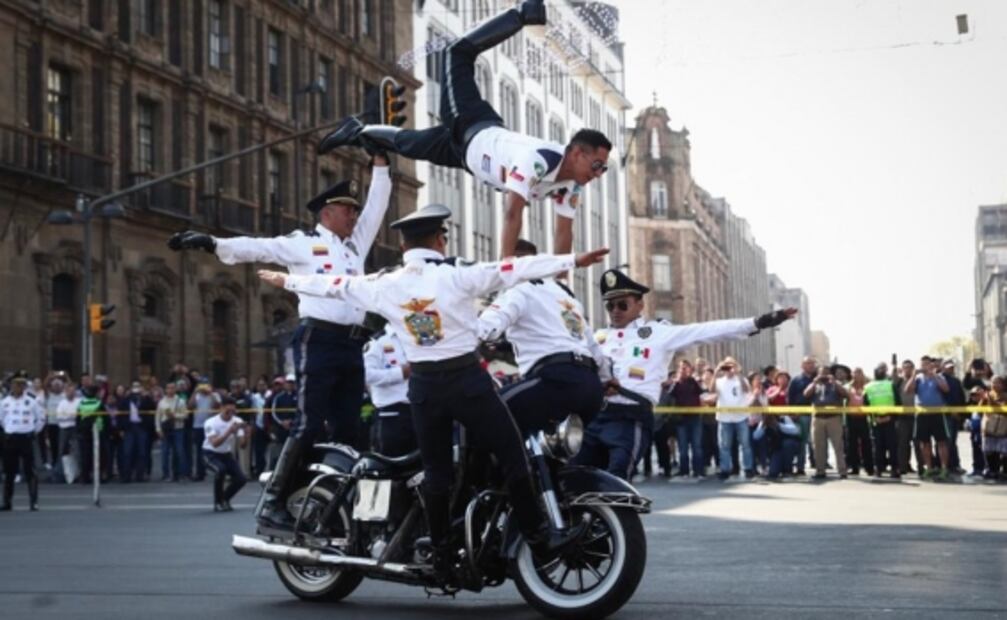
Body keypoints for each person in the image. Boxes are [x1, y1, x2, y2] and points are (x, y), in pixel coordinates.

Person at [258, 204, 610, 577]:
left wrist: (287, 281)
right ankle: (539, 539)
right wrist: (573, 260)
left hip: (424, 389)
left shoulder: (386, 283)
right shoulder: (456, 273)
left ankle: (441, 555)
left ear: (403, 245)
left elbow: (334, 286)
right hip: (467, 383)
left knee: (437, 472)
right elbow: (511, 269)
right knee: (511, 454)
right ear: (440, 240)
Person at [170, 157, 392, 531]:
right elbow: (259, 248)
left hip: (352, 345)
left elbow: (378, 206)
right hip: (318, 340)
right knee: (308, 423)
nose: (355, 217)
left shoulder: (354, 247)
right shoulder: (304, 244)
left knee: (350, 430)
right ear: (327, 213)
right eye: (348, 210)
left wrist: (382, 166)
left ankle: (339, 503)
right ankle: (273, 500)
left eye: (355, 211)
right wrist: (212, 242)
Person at [318, 0, 607, 258]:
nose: (597, 174)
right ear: (577, 153)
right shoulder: (540, 159)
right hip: (470, 123)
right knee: (456, 52)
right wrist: (505, 268)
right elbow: (512, 213)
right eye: (596, 165)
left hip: (464, 156)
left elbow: (563, 233)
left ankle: (355, 132)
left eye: (603, 169)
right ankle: (521, 13)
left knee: (406, 143)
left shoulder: (572, 185)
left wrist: (558, 285)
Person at [571, 269, 796, 481]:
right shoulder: (598, 337)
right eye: (610, 305)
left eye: (622, 304)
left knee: (616, 478)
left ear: (640, 304)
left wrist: (759, 322)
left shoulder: (658, 333)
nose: (615, 311)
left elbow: (708, 331)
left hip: (630, 418)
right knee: (572, 475)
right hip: (594, 417)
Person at [477, 239, 608, 439]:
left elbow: (487, 329)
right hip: (591, 390)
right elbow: (594, 348)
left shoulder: (518, 291)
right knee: (546, 449)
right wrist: (607, 378)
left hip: (555, 381)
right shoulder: (567, 298)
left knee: (484, 414)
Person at [363, 327, 416, 456]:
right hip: (391, 414)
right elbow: (366, 375)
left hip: (420, 411)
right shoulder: (378, 341)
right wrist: (400, 373)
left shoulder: (418, 337)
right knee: (390, 462)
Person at [903, 356, 951, 481]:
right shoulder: (918, 379)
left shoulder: (939, 377)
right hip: (922, 414)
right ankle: (929, 468)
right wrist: (913, 375)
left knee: (941, 442)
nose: (924, 367)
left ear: (931, 365)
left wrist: (933, 375)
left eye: (927, 364)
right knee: (924, 443)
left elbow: (946, 389)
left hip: (937, 414)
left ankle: (944, 468)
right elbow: (907, 390)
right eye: (922, 364)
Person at [1, 375, 45, 510]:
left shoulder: (32, 401)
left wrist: (33, 431)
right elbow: (1, 420)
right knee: (9, 472)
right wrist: (9, 429)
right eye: (15, 384)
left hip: (26, 438)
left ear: (25, 386)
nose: (18, 387)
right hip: (11, 439)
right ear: (11, 386)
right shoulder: (4, 402)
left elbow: (41, 419)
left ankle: (34, 502)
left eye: (21, 384)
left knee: (30, 471)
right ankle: (7, 502)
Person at [202, 397, 249, 512]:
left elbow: (242, 445)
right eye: (227, 412)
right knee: (220, 470)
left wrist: (247, 434)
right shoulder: (211, 422)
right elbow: (215, 443)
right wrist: (229, 431)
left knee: (241, 479)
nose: (230, 415)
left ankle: (224, 499)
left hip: (226, 454)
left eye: (233, 412)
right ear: (221, 408)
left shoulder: (237, 421)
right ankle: (217, 502)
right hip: (210, 453)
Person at [712, 358, 754, 481]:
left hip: (741, 417)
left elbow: (747, 390)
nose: (729, 369)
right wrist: (716, 372)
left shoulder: (741, 379)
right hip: (725, 418)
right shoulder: (720, 381)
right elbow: (711, 389)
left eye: (731, 366)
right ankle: (725, 469)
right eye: (726, 366)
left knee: (745, 444)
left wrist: (738, 373)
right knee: (724, 445)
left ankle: (748, 468)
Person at [805, 365, 848, 480]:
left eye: (826, 373)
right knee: (818, 446)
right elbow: (806, 394)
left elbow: (845, 394)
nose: (823, 375)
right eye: (821, 373)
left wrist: (835, 382)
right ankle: (820, 471)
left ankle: (842, 471)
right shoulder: (815, 384)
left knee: (838, 445)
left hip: (833, 418)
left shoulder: (835, 384)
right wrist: (814, 382)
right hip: (818, 418)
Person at [668, 361, 704, 478]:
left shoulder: (693, 381)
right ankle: (684, 471)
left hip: (695, 418)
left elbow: (701, 392)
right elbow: (670, 393)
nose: (683, 370)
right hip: (681, 419)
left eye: (685, 368)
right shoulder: (676, 383)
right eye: (681, 368)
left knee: (696, 446)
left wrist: (694, 378)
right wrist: (676, 381)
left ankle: (698, 470)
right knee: (683, 448)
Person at [864, 363, 900, 478]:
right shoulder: (869, 386)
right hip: (879, 420)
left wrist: (890, 417)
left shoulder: (889, 385)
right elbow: (866, 405)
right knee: (880, 446)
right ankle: (881, 469)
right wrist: (877, 418)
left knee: (888, 446)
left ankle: (891, 469)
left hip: (886, 419)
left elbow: (898, 403)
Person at [787, 357, 818, 476]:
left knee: (817, 441)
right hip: (801, 415)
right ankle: (800, 467)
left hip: (817, 414)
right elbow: (790, 397)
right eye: (808, 363)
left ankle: (819, 467)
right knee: (802, 442)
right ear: (802, 365)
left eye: (813, 363)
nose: (811, 365)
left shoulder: (818, 379)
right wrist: (792, 413)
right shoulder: (796, 380)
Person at [156, 382, 189, 482]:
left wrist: (175, 416)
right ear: (166, 390)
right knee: (165, 452)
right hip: (166, 429)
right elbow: (158, 416)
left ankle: (178, 474)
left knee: (179, 451)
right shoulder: (162, 402)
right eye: (168, 388)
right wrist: (158, 429)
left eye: (172, 388)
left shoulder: (181, 401)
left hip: (178, 429)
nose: (170, 390)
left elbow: (186, 415)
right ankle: (165, 474)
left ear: (175, 389)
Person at [845, 367, 875, 476]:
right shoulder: (847, 387)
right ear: (852, 374)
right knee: (852, 444)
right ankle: (854, 468)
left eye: (859, 373)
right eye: (855, 373)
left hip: (864, 419)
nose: (857, 375)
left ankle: (869, 468)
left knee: (866, 444)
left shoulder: (868, 387)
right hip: (851, 419)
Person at [753, 413, 802, 480]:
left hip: (785, 448)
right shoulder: (764, 422)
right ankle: (766, 468)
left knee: (788, 443)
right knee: (773, 473)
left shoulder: (784, 418)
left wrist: (778, 425)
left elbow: (796, 430)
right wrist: (763, 426)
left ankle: (787, 470)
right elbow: (755, 436)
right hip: (776, 451)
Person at [55, 382, 81, 483]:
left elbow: (78, 416)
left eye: (72, 391)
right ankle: (61, 474)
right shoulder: (62, 403)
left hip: (75, 428)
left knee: (77, 451)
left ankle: (78, 473)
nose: (71, 393)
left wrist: (68, 416)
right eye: (69, 391)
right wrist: (71, 416)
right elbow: (59, 417)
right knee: (62, 450)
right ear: (65, 392)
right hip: (64, 428)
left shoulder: (79, 401)